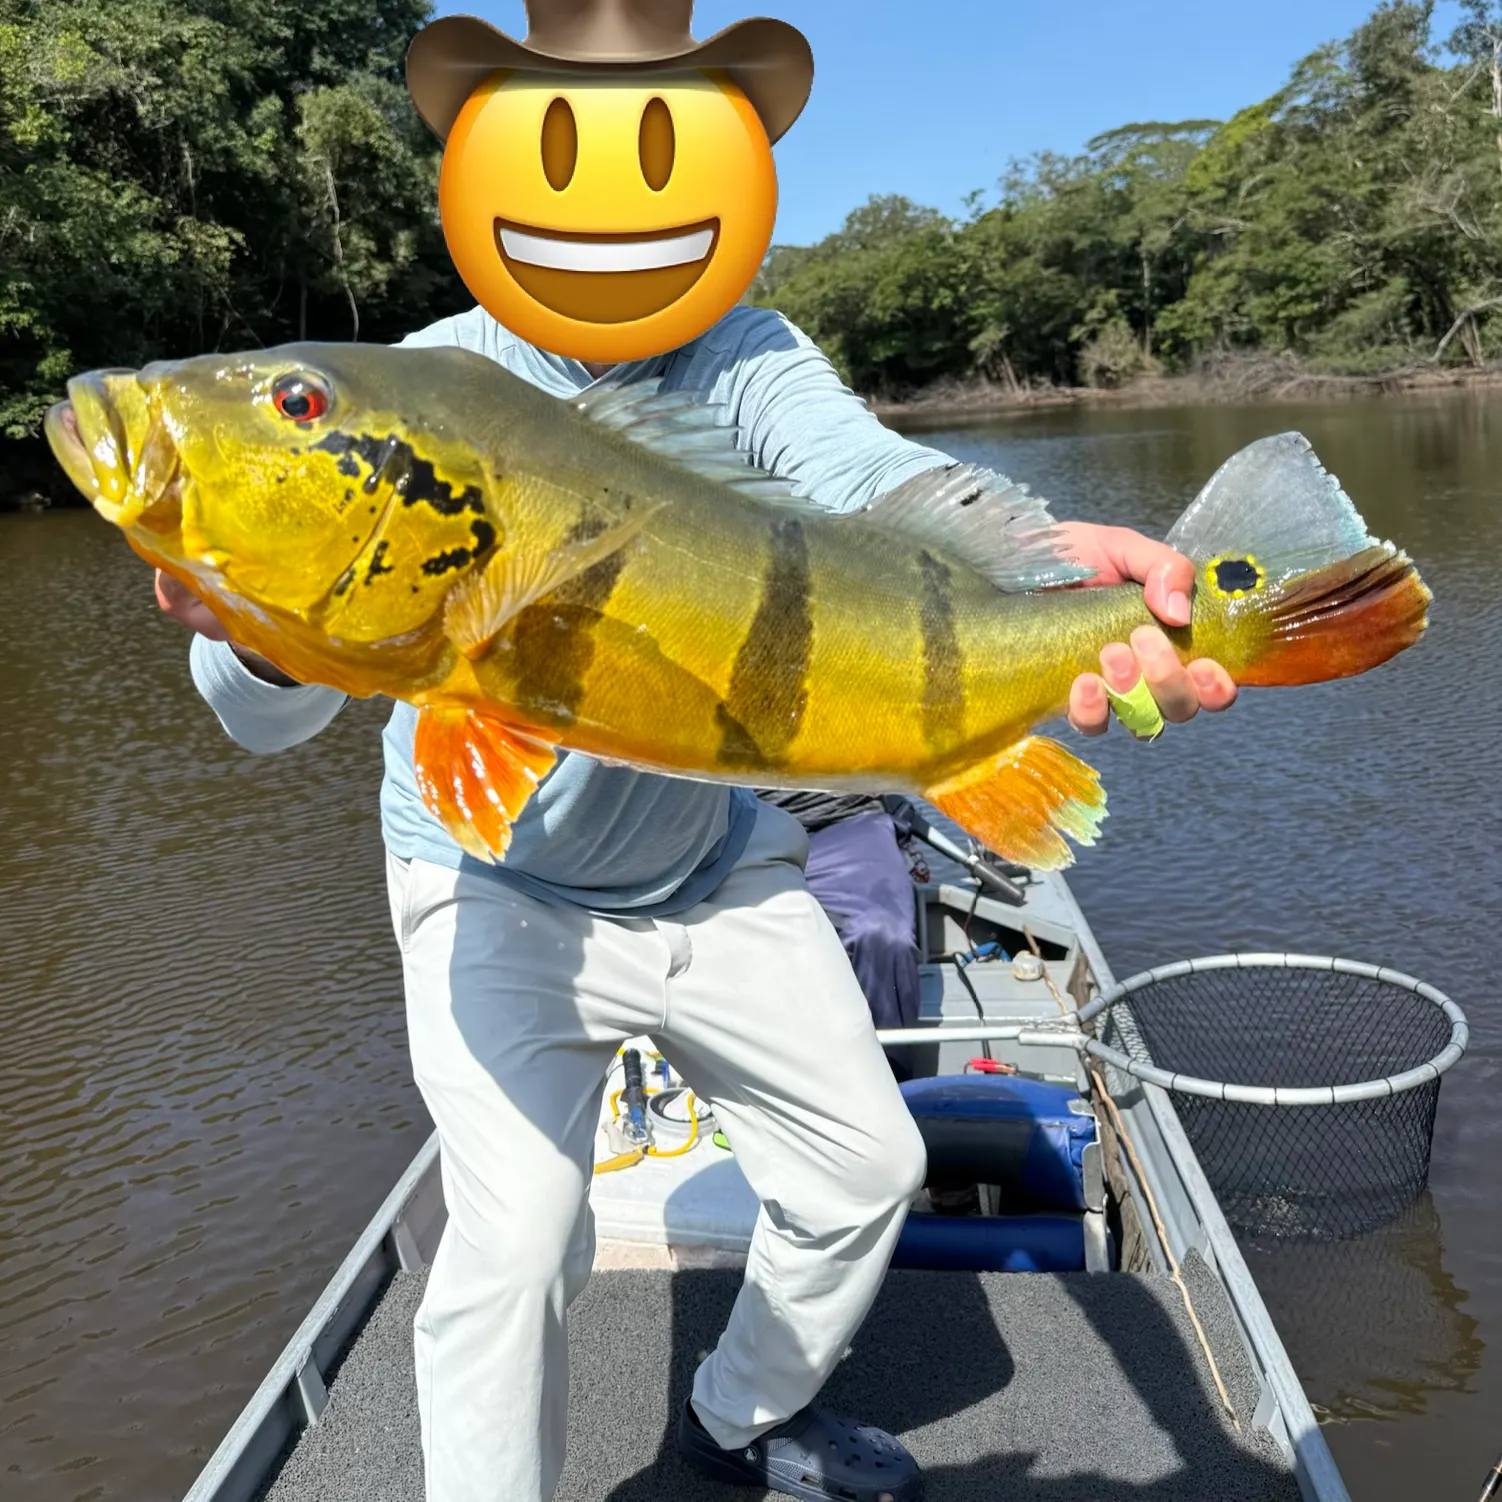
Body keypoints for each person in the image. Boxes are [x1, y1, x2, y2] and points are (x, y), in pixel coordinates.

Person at [156, 12, 1239, 1502]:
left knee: (865, 1170)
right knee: (520, 1233)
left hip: (716, 862)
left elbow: (877, 483)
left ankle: (735, 1420)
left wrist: (1058, 572)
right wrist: (265, 624)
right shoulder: (418, 382)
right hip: (490, 882)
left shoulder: (746, 350)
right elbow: (258, 708)